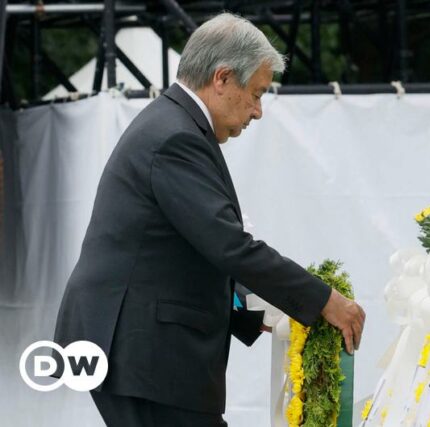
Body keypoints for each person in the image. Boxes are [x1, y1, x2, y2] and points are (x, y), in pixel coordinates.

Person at [53, 13, 365, 427]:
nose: (258, 111)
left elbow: (189, 250)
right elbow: (228, 246)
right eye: (256, 93)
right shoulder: (175, 136)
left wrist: (256, 316)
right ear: (221, 78)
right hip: (141, 352)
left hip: (139, 348)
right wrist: (324, 300)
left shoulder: (175, 124)